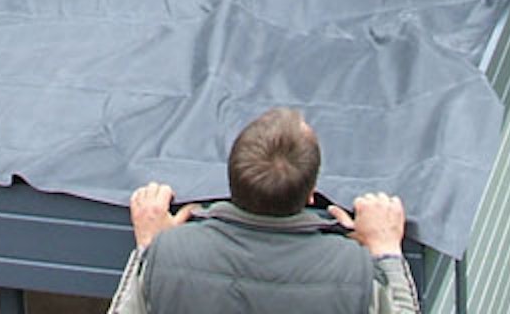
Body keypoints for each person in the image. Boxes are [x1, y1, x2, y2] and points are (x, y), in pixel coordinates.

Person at [106, 107, 421, 313]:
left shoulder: (170, 255)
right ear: (312, 194)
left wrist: (149, 248)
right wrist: (386, 252)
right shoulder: (352, 271)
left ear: (231, 182)